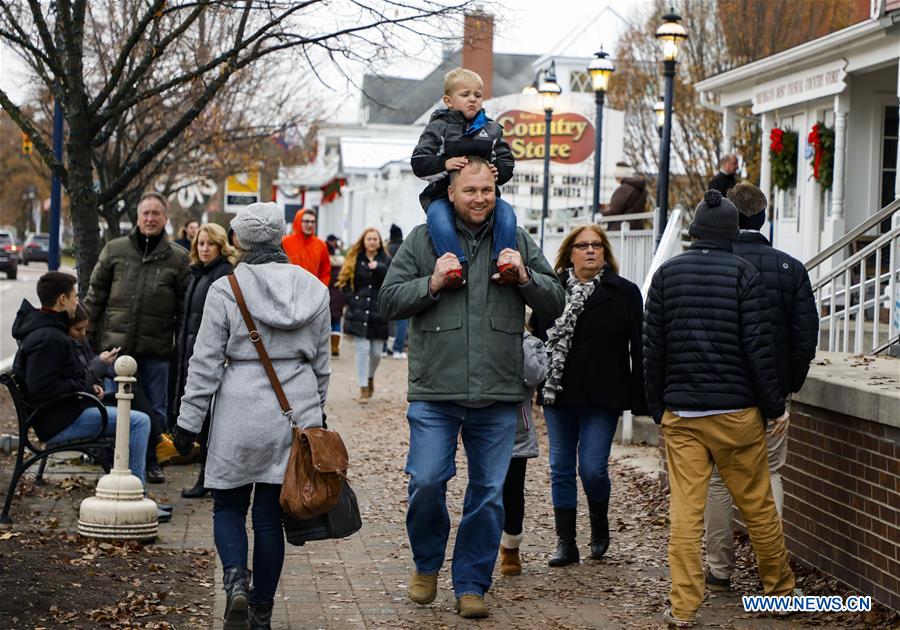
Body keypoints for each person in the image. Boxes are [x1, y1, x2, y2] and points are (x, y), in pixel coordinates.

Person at [379, 156, 564, 619]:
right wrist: (433, 282)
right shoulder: (424, 241)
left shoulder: (516, 239)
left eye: (487, 191)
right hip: (435, 392)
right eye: (470, 191)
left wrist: (524, 276)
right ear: (451, 193)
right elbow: (388, 300)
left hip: (498, 393)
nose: (479, 198)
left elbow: (555, 300)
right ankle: (426, 565)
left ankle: (471, 584)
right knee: (425, 481)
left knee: (487, 495)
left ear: (496, 191)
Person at [173, 202, 331, 630]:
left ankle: (235, 579)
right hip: (293, 411)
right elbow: (321, 364)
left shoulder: (225, 289)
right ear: (280, 235)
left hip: (239, 411)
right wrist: (318, 417)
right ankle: (261, 610)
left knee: (227, 503)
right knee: (268, 516)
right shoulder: (313, 289)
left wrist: (188, 422)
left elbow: (204, 362)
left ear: (239, 241)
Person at [643, 190, 797, 627]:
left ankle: (683, 608)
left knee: (686, 515)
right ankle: (780, 592)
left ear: (694, 233)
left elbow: (653, 348)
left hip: (683, 415)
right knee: (758, 506)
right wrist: (774, 408)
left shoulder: (667, 276)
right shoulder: (744, 273)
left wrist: (657, 406)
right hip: (737, 414)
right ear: (733, 234)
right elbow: (758, 350)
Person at [703, 183, 818, 592]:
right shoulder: (789, 268)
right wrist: (789, 385)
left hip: (722, 393)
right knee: (769, 473)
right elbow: (805, 335)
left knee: (718, 478)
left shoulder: (713, 264)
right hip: (773, 394)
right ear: (764, 219)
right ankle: (772, 566)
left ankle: (719, 568)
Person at [530, 225, 646, 567]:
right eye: (583, 246)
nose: (591, 251)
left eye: (597, 245)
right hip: (559, 392)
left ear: (605, 252)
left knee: (593, 468)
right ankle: (565, 542)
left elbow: (639, 346)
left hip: (603, 393)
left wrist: (641, 400)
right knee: (561, 467)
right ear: (570, 253)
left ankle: (599, 524)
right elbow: (538, 337)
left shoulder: (624, 292)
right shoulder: (551, 292)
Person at [84, 191, 190, 483]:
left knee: (155, 409)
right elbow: (95, 298)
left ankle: (152, 463)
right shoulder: (115, 250)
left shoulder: (178, 259)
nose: (150, 218)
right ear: (137, 217)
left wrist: (177, 346)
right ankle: (114, 461)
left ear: (165, 218)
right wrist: (87, 341)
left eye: (156, 213)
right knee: (114, 406)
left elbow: (185, 310)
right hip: (115, 351)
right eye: (146, 213)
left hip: (156, 350)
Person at [11, 272, 151, 484]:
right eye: (75, 296)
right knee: (139, 422)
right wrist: (81, 386)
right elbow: (42, 387)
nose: (77, 302)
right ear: (62, 300)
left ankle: (128, 486)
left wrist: (83, 386)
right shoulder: (50, 338)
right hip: (60, 422)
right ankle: (135, 491)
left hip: (61, 413)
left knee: (133, 410)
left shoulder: (46, 331)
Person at [411, 68, 517, 288]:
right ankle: (453, 265)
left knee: (507, 213)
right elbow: (419, 162)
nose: (472, 100)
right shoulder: (439, 127)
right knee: (438, 218)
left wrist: (498, 171)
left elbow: (507, 161)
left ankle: (504, 262)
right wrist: (444, 164)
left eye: (477, 95)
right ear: (448, 100)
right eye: (465, 94)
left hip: (483, 198)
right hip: (441, 195)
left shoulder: (491, 129)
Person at [174, 223, 236, 499]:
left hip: (210, 355)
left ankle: (208, 477)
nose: (204, 248)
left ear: (221, 246)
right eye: (200, 243)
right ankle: (207, 474)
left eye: (210, 244)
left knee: (210, 421)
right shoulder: (197, 273)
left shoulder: (223, 275)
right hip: (190, 350)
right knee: (202, 418)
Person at [498, 330, 547, 576]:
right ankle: (483, 549)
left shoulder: (531, 343)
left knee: (513, 492)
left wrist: (520, 340)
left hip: (518, 430)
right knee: (487, 491)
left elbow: (534, 376)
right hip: (484, 427)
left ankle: (510, 546)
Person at [336, 228, 391, 403]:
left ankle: (369, 377)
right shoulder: (355, 259)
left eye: (375, 239)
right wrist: (352, 300)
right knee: (362, 349)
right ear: (364, 241)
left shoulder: (386, 260)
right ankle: (363, 388)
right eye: (369, 239)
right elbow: (344, 283)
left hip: (378, 312)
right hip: (358, 311)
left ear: (379, 242)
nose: (372, 242)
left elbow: (393, 279)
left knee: (376, 353)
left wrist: (379, 267)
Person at [282, 208, 331, 285]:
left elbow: (325, 272)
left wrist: (320, 290)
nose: (310, 225)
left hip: (312, 292)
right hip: (288, 290)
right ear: (298, 221)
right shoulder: (285, 242)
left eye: (313, 222)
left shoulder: (321, 245)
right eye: (306, 221)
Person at [602, 162, 648, 230]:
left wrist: (602, 211)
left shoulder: (624, 189)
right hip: (637, 229)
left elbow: (614, 210)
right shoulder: (640, 189)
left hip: (620, 230)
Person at [386, 225, 408, 359]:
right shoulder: (405, 246)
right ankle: (398, 349)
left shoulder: (386, 248)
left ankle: (384, 348)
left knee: (386, 319)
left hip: (388, 285)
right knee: (402, 320)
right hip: (403, 285)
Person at [325, 236, 347, 357]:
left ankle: (326, 346)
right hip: (339, 296)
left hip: (327, 294)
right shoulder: (341, 265)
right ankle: (335, 347)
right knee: (337, 322)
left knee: (326, 322)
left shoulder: (325, 263)